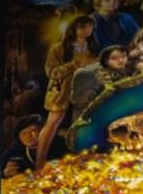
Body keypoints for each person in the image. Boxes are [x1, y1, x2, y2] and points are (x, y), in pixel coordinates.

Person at [36, 15, 98, 171]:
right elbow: (52, 72)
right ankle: (39, 163)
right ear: (74, 29)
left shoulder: (93, 46)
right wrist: (73, 65)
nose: (88, 30)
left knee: (84, 126)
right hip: (61, 92)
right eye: (83, 27)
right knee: (52, 124)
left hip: (84, 92)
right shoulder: (58, 48)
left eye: (90, 26)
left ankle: (83, 162)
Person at [70, 44, 131, 113]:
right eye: (114, 58)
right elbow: (81, 103)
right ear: (106, 61)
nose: (121, 60)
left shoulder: (123, 70)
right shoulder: (91, 74)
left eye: (123, 56)